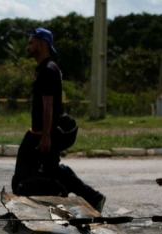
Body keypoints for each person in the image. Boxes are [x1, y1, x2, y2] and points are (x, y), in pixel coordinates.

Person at [11, 28, 106, 212]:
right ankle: (92, 197)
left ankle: (93, 197)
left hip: (44, 133)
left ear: (42, 43)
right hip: (38, 131)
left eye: (31, 43)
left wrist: (46, 136)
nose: (28, 46)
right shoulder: (45, 69)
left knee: (38, 170)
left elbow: (49, 106)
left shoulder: (48, 70)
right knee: (47, 169)